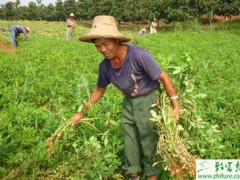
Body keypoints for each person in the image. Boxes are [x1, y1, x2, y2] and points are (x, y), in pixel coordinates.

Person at [71, 15, 179, 180]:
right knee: (130, 140)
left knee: (149, 139)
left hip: (148, 100)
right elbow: (99, 90)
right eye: (98, 46)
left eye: (106, 44)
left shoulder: (138, 55)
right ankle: (133, 174)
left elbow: (164, 78)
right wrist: (82, 112)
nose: (102, 49)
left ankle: (152, 174)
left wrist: (175, 107)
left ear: (116, 40)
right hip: (128, 102)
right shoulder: (105, 66)